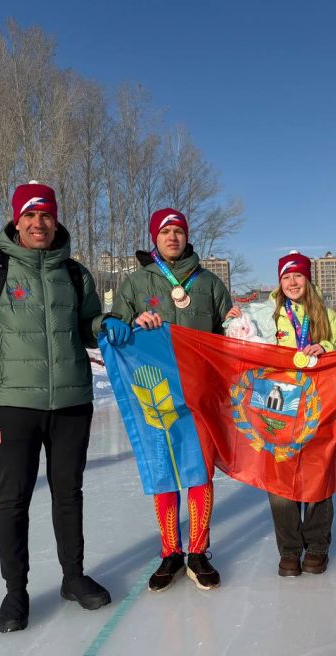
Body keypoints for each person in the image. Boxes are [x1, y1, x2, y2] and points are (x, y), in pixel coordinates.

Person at [0, 181, 132, 633]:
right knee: (13, 499)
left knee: (68, 494)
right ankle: (16, 592)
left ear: (55, 220)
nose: (38, 223)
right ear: (16, 220)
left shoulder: (75, 273)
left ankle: (73, 577)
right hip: (13, 405)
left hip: (71, 400)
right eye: (29, 215)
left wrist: (108, 324)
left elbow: (88, 326)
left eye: (45, 215)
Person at [113, 207, 232, 592]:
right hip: (157, 393)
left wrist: (242, 323)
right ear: (155, 238)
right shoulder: (136, 283)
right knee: (165, 469)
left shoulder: (210, 283)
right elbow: (115, 327)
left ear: (186, 236)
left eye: (178, 230)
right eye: (165, 231)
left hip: (200, 392)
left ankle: (198, 552)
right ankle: (170, 552)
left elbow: (228, 337)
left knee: (200, 471)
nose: (172, 237)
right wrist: (130, 323)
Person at [228, 251, 336, 577]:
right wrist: (234, 317)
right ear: (279, 281)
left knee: (319, 472)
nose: (292, 282)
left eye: (298, 275)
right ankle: (290, 549)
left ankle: (317, 546)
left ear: (308, 279)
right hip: (276, 402)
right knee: (280, 477)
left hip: (318, 401)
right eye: (286, 276)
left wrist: (327, 348)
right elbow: (239, 336)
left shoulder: (327, 313)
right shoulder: (267, 313)